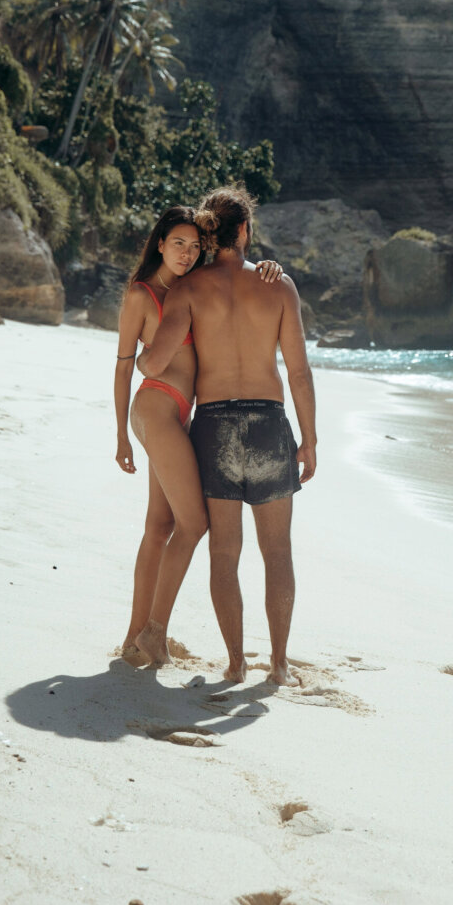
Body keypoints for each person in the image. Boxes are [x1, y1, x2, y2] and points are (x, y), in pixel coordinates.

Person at [138, 185, 316, 687]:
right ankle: (278, 664)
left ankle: (236, 662)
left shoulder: (189, 290)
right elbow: (299, 373)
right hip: (267, 422)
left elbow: (153, 360)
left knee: (224, 553)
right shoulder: (279, 286)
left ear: (210, 233)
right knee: (277, 549)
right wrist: (310, 439)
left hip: (214, 425)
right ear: (245, 230)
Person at [114, 203, 282, 667]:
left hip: (177, 416)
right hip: (156, 409)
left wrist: (267, 264)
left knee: (159, 527)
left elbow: (235, 285)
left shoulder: (194, 286)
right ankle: (153, 632)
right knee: (194, 523)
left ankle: (135, 637)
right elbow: (126, 366)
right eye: (178, 245)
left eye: (194, 245)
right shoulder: (143, 295)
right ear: (160, 244)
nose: (187, 254)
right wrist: (121, 436)